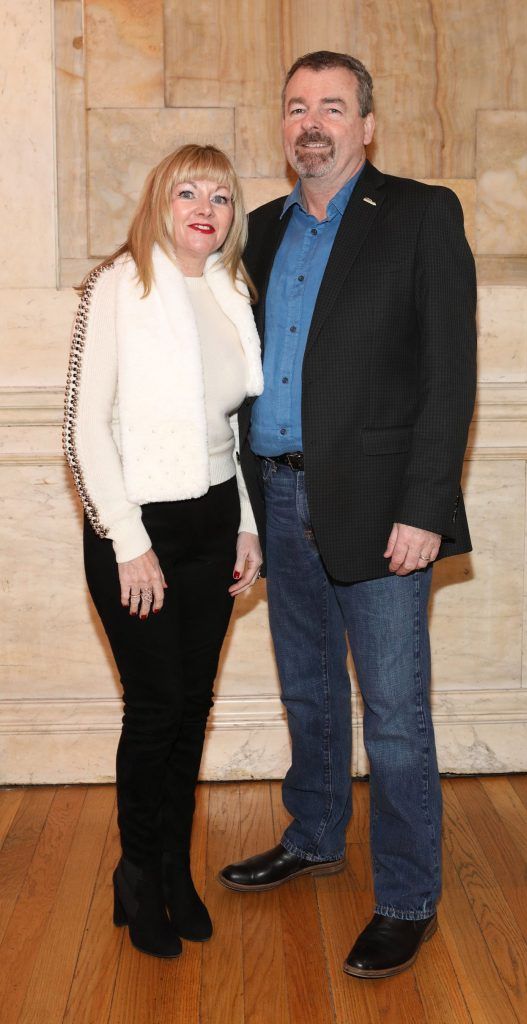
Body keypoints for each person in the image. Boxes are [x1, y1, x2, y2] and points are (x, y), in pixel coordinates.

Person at [219, 51, 477, 979]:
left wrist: (425, 508)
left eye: (332, 106)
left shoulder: (419, 214)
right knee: (307, 689)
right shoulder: (256, 232)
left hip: (380, 512)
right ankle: (316, 833)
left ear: (368, 125)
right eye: (296, 107)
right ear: (283, 127)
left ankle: (407, 897)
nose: (312, 122)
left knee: (398, 715)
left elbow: (449, 377)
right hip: (277, 495)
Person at [63, 144, 263, 959]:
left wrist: (247, 523)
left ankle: (174, 871)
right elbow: (82, 428)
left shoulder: (230, 291)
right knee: (153, 713)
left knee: (192, 711)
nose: (204, 207)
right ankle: (138, 874)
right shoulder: (118, 283)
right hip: (136, 525)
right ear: (160, 201)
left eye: (220, 194)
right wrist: (128, 542)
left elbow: (231, 431)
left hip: (216, 521)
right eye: (188, 191)